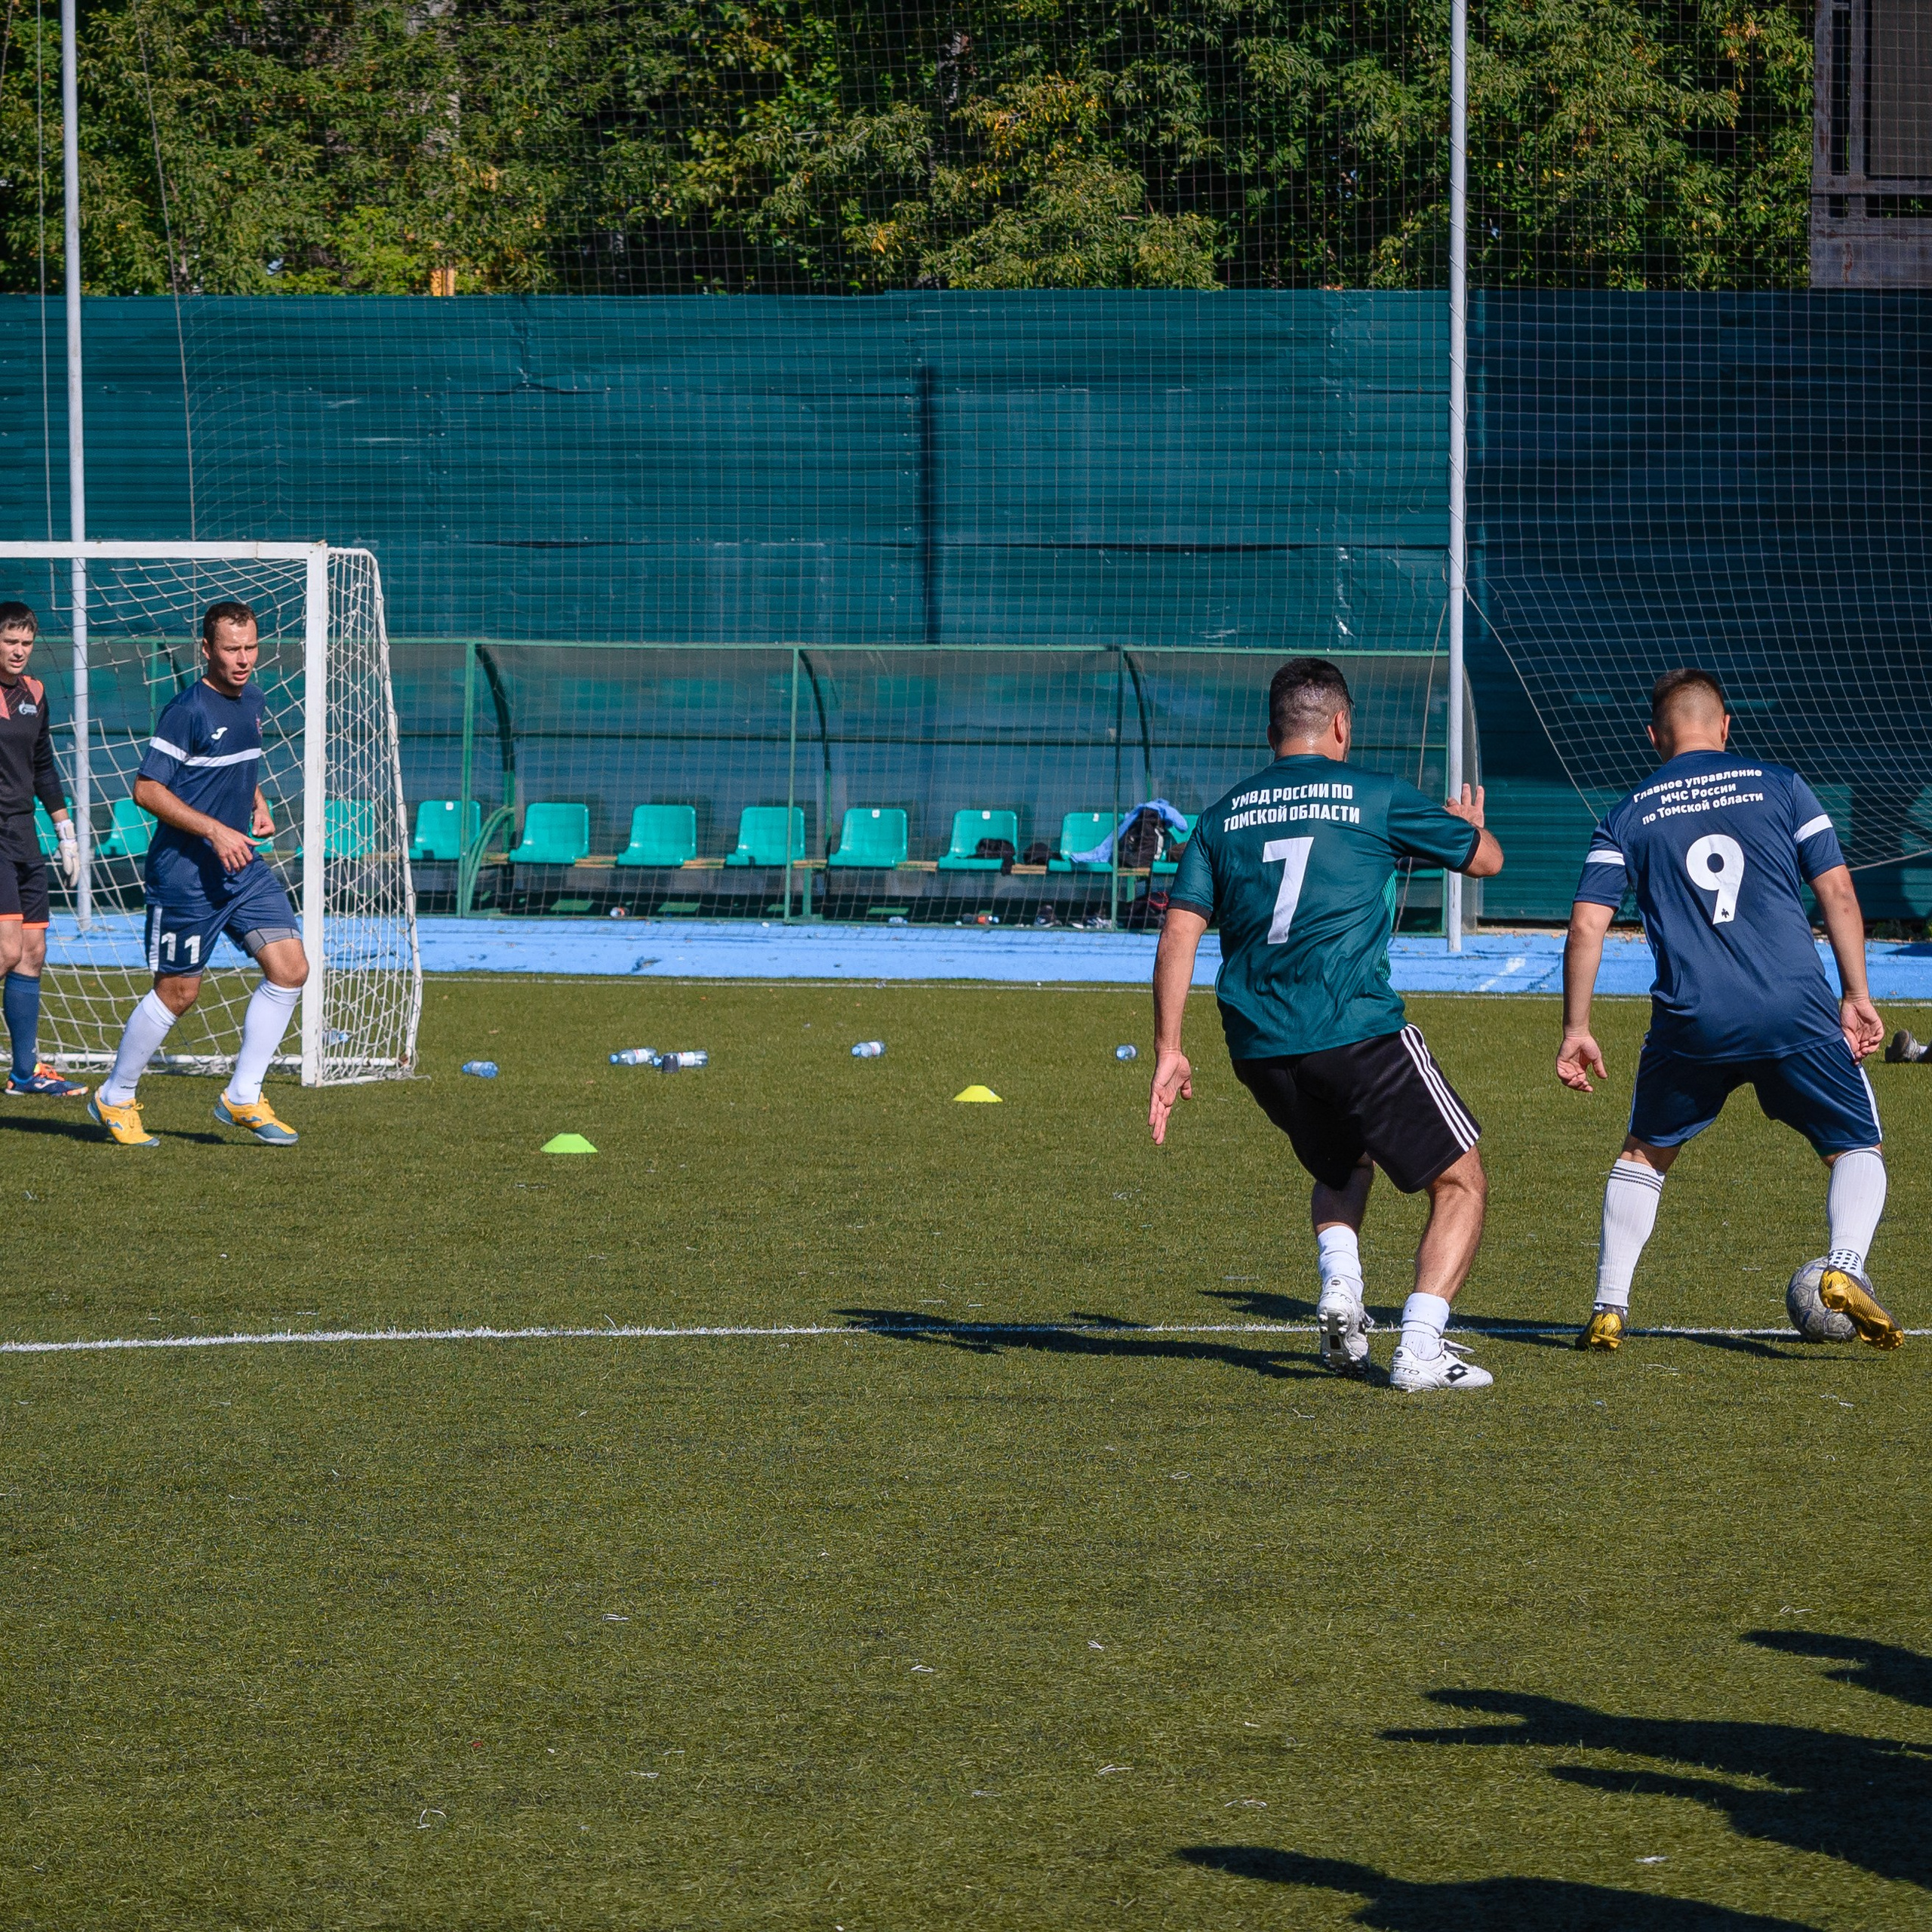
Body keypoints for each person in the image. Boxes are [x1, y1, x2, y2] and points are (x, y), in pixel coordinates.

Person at [1149, 657, 1506, 1392]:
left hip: (1258, 1046)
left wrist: (1169, 1048)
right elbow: (1488, 862)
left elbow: (1178, 930)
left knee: (1341, 1163)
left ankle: (1341, 1288)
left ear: (1270, 730)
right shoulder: (1374, 794)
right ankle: (1420, 1345)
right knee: (1461, 1180)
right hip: (1354, 1027)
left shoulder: (1221, 816)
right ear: (1341, 724)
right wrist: (1466, 828)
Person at [1558, 668, 1900, 1351]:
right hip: (1793, 1006)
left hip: (1692, 1018)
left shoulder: (1627, 813)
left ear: (1655, 736)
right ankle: (1845, 1266)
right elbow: (1837, 892)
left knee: (1644, 1156)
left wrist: (1577, 1029)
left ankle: (1609, 1306)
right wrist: (1857, 995)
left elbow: (1586, 927)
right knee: (1856, 1146)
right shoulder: (1783, 786)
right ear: (1725, 725)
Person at [89, 600, 308, 1148]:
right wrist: (214, 830)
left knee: (290, 968)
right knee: (178, 992)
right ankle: (115, 1097)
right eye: (231, 649)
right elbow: (147, 789)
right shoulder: (186, 710)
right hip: (184, 875)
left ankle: (243, 1095)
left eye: (251, 648)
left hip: (240, 868)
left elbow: (238, 763)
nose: (243, 660)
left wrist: (255, 801)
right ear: (206, 650)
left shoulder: (253, 699)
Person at [0, 601, 86, 1099]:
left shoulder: (35, 692)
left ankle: (25, 1074)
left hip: (24, 833)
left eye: (26, 643)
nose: (18, 651)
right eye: (10, 641)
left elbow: (43, 764)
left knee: (32, 953)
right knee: (7, 950)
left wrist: (65, 830)